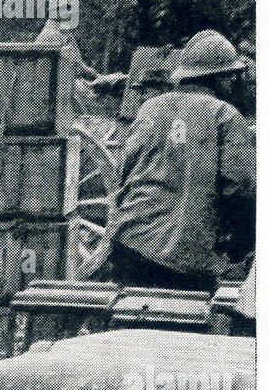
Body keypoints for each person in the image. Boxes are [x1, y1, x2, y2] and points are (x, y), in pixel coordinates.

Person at [106, 30, 255, 294]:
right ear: (217, 78)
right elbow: (242, 188)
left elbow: (123, 174)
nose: (233, 83)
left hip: (128, 245)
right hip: (183, 258)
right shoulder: (224, 115)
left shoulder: (150, 108)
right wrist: (239, 248)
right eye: (230, 76)